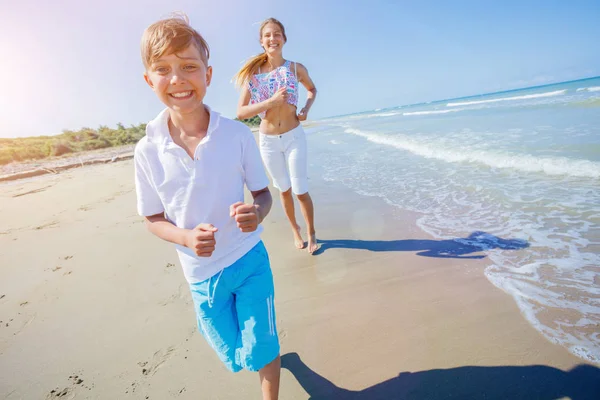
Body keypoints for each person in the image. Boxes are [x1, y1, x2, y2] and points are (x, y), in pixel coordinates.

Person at [134, 14, 281, 400]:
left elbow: (263, 195)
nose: (178, 79)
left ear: (208, 74)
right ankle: (256, 350)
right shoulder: (147, 150)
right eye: (163, 69)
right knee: (234, 353)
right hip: (200, 275)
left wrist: (257, 213)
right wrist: (183, 236)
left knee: (263, 348)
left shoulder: (235, 134)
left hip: (249, 259)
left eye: (189, 67)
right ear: (150, 80)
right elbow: (151, 218)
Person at [234, 18, 319, 254]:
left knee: (300, 190)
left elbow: (312, 89)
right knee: (283, 189)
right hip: (269, 141)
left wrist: (305, 109)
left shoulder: (295, 69)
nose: (273, 38)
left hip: (294, 136)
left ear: (284, 39)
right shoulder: (253, 75)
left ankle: (311, 231)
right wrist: (270, 102)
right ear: (262, 42)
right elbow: (240, 112)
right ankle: (295, 230)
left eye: (277, 34)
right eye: (268, 35)